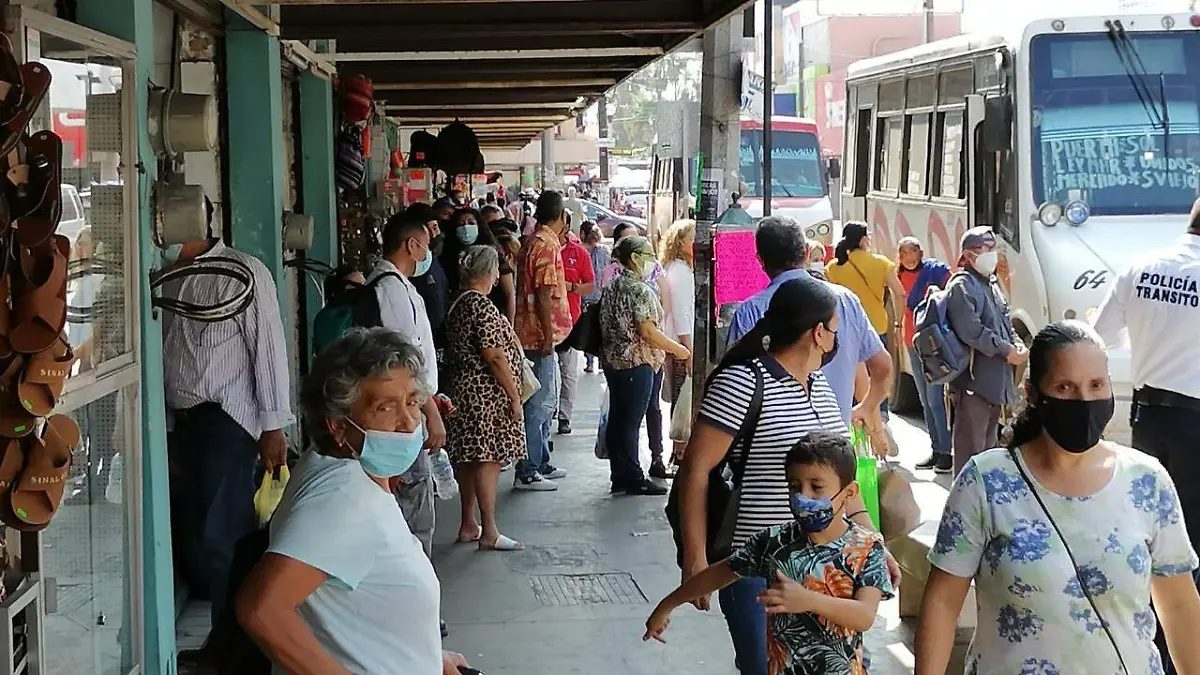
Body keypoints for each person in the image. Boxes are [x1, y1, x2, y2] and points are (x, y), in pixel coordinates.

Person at [915, 321, 1200, 675]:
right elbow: (942, 603)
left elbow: (1179, 604)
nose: (1084, 401)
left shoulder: (1147, 481)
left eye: (1096, 385)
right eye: (1065, 387)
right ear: (1033, 394)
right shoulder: (986, 482)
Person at [678, 277, 892, 675]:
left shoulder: (823, 389)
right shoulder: (743, 381)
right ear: (818, 334)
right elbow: (696, 470)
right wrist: (696, 559)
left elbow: (842, 484)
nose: (835, 339)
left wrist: (872, 543)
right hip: (760, 567)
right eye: (834, 330)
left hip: (829, 571)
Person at [236, 328, 472, 675]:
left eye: (411, 401)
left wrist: (428, 659)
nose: (408, 422)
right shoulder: (343, 500)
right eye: (384, 407)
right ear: (337, 425)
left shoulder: (345, 470)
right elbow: (262, 609)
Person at [648, 431, 894, 674]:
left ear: (849, 493)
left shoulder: (866, 548)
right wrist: (667, 605)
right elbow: (719, 574)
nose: (802, 496)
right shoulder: (774, 542)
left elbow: (864, 616)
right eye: (794, 486)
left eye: (816, 487)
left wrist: (808, 601)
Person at [162, 197, 292, 625]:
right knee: (194, 533)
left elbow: (268, 350)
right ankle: (221, 634)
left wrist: (273, 426)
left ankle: (234, 645)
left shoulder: (242, 272)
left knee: (223, 535)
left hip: (227, 419)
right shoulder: (165, 275)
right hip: (179, 421)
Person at [1092, 198, 1200, 671]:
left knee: (1154, 529)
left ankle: (1150, 639)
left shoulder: (1140, 267)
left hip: (1149, 416)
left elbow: (1099, 338)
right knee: (1192, 539)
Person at [726, 217, 892, 435]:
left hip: (770, 448)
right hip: (835, 448)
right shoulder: (845, 300)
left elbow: (733, 388)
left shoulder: (750, 311)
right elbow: (883, 365)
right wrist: (867, 407)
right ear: (805, 252)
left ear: (760, 260)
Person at [367, 215, 448, 557]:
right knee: (414, 509)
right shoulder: (392, 290)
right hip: (405, 411)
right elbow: (407, 360)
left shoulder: (392, 284)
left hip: (410, 404)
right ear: (412, 245)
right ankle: (416, 587)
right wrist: (429, 411)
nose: (427, 253)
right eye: (425, 245)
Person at [444, 246, 527, 551]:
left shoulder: (459, 304)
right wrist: (514, 396)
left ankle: (469, 523)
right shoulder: (482, 306)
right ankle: (489, 529)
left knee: (469, 458)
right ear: (490, 272)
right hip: (485, 395)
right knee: (488, 459)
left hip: (463, 391)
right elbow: (494, 356)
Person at [599, 236, 690, 496]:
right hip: (636, 363)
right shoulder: (638, 290)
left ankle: (620, 474)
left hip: (615, 362)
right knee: (630, 423)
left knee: (619, 420)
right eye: (648, 255)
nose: (653, 261)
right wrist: (678, 349)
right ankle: (634, 477)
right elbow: (648, 332)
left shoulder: (615, 284)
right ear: (635, 258)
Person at [945, 226, 1026, 475]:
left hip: (994, 386)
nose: (992, 255)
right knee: (970, 456)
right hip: (972, 385)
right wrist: (1006, 351)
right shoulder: (962, 286)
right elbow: (973, 332)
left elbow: (1004, 322)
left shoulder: (991, 285)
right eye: (985, 249)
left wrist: (1018, 345)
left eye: (993, 249)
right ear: (969, 256)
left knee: (988, 454)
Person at [513, 190, 573, 491]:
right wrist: (549, 336)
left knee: (544, 401)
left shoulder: (532, 241)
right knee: (539, 403)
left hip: (532, 333)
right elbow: (545, 293)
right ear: (561, 216)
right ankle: (528, 468)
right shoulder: (546, 245)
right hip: (538, 337)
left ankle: (541, 459)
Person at [824, 222, 907, 416]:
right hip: (876, 326)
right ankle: (881, 415)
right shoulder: (881, 263)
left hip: (845, 329)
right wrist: (898, 323)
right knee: (879, 372)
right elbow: (900, 293)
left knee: (852, 374)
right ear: (862, 240)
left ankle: (853, 414)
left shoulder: (834, 267)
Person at [896, 236, 953, 474]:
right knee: (924, 400)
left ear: (920, 252)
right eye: (903, 254)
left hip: (933, 344)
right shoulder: (897, 275)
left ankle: (946, 453)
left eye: (912, 252)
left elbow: (951, 295)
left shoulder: (936, 272)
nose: (908, 258)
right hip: (912, 342)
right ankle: (936, 449)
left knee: (935, 399)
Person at [659, 219, 695, 467]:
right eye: (692, 238)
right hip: (680, 346)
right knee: (683, 400)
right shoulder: (680, 272)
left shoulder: (676, 268)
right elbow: (682, 314)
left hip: (677, 344)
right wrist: (689, 352)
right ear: (681, 243)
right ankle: (680, 452)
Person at [442, 207, 516, 323]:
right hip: (461, 319)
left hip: (492, 318)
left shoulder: (493, 255)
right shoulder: (447, 257)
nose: (466, 228)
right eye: (461, 224)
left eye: (471, 223)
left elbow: (509, 293)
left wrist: (510, 326)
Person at [556, 226, 596, 435]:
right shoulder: (539, 248)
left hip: (570, 322)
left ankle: (564, 416)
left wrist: (571, 287)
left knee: (568, 373)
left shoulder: (578, 253)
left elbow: (590, 285)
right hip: (539, 323)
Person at [403, 203, 451, 351]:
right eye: (431, 229)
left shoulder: (432, 259)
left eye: (436, 227)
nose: (435, 235)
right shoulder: (414, 268)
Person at [580, 220, 610, 374]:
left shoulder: (582, 251)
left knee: (589, 330)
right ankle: (601, 362)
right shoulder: (605, 251)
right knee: (602, 330)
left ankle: (590, 362)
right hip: (602, 296)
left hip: (587, 297)